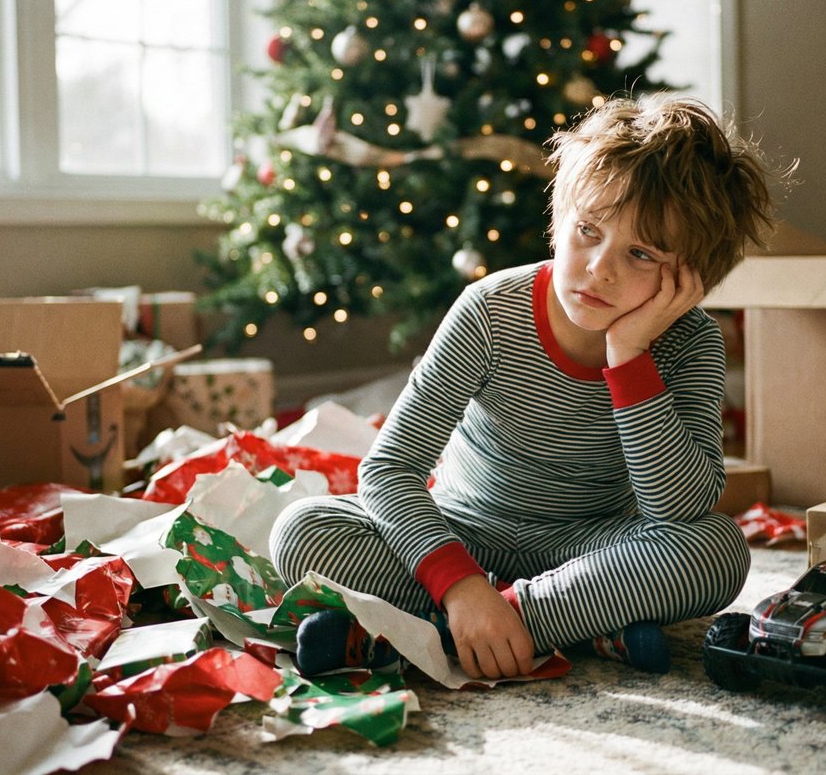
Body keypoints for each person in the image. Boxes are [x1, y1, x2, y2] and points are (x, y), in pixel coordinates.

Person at [270, 92, 789, 680]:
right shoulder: (490, 310)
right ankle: (564, 625)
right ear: (558, 221)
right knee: (301, 531)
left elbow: (679, 508)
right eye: (587, 230)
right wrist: (462, 588)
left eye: (640, 253)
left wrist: (629, 356)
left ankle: (481, 627)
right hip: (466, 529)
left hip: (590, 549)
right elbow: (390, 471)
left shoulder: (692, 342)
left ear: (691, 277)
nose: (600, 268)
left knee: (717, 552)